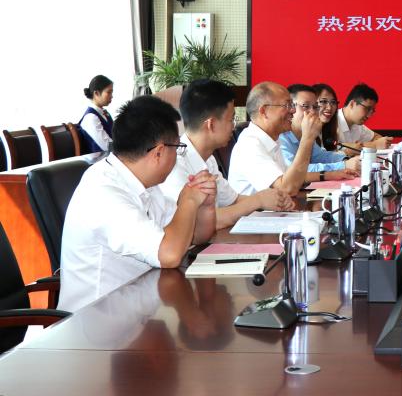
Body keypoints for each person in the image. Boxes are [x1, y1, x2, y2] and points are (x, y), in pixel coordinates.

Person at [59, 95, 217, 312]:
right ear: (159, 152)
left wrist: (206, 205)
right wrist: (189, 202)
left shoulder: (143, 182)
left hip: (138, 306)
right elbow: (169, 255)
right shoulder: (104, 192)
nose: (179, 154)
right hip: (97, 321)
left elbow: (195, 236)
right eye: (178, 147)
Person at [159, 79, 294, 230]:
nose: (233, 126)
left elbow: (233, 201)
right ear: (211, 125)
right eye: (231, 119)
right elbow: (196, 222)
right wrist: (258, 200)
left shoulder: (208, 159)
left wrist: (272, 200)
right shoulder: (174, 163)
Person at [228, 81, 354, 197]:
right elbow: (287, 189)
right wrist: (308, 138)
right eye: (287, 105)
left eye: (292, 105)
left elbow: (293, 178)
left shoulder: (273, 138)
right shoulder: (250, 144)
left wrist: (331, 174)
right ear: (264, 111)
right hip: (257, 214)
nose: (292, 110)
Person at [280, 84, 359, 175]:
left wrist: (346, 160)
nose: (313, 112)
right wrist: (343, 165)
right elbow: (295, 171)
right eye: (306, 106)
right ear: (290, 108)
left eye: (315, 107)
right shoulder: (280, 138)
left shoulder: (306, 132)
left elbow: (320, 156)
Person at [337, 83, 389, 155]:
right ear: (352, 104)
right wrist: (373, 145)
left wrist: (361, 145)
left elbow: (378, 138)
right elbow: (331, 152)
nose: (369, 115)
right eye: (367, 109)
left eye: (372, 111)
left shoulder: (357, 125)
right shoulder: (331, 121)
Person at [79, 74, 114, 152]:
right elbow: (107, 146)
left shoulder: (105, 113)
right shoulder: (90, 118)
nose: (112, 96)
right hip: (100, 158)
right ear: (96, 93)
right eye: (109, 92)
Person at [313, 82, 341, 151]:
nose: (329, 107)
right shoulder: (302, 132)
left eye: (333, 102)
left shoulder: (327, 131)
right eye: (323, 101)